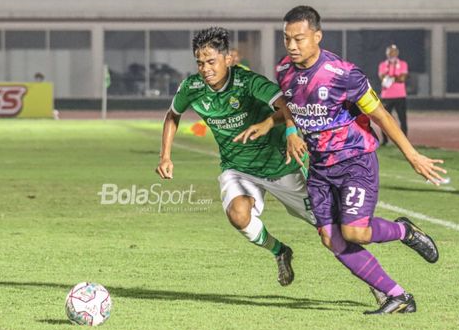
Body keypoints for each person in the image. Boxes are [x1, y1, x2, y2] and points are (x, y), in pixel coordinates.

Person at [237, 6, 446, 314]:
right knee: (330, 238)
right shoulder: (284, 71)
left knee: (354, 232)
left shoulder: (343, 74)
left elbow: (381, 116)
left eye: (299, 38)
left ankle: (405, 231)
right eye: (287, 39)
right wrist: (274, 123)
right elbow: (294, 108)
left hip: (354, 162)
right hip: (319, 169)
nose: (292, 46)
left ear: (317, 37)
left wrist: (412, 156)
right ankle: (398, 296)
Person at [157, 27, 388, 305]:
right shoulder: (192, 88)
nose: (205, 69)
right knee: (238, 215)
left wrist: (291, 132)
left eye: (211, 62)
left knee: (332, 233)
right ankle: (280, 251)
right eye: (200, 63)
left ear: (228, 59)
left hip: (282, 167)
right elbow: (173, 115)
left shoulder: (248, 82)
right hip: (237, 168)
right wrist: (165, 156)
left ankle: (376, 283)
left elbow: (285, 103)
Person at [377, 44, 408, 145]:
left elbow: (402, 78)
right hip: (387, 96)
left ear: (397, 53)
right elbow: (382, 78)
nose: (392, 53)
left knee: (402, 119)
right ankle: (385, 140)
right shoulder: (382, 65)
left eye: (394, 51)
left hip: (400, 95)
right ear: (387, 53)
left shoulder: (403, 64)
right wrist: (396, 77)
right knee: (383, 119)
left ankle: (404, 141)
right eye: (390, 51)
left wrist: (390, 77)